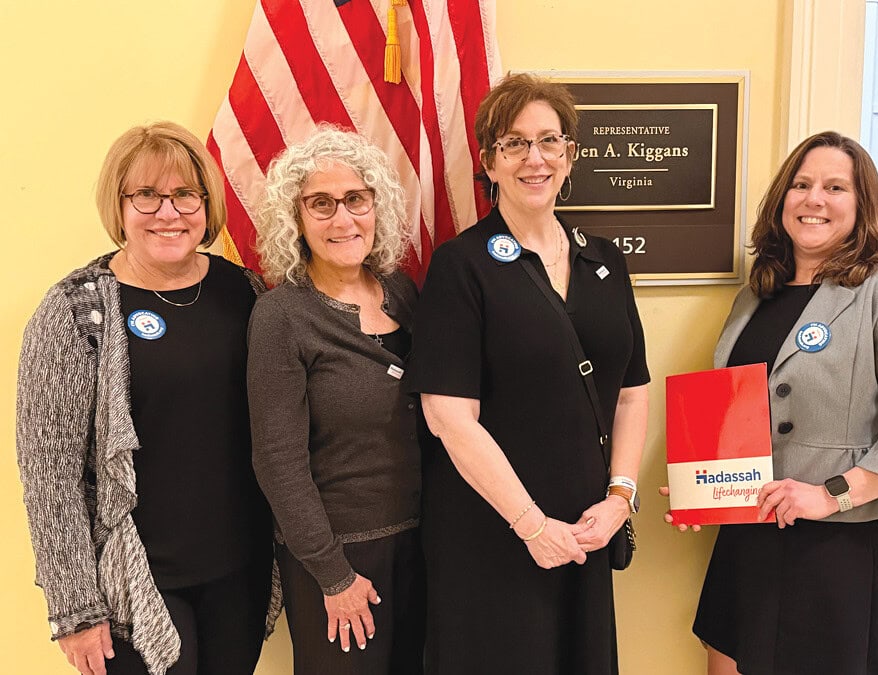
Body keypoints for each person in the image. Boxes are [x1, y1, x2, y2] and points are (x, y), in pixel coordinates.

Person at [664, 130, 878, 674]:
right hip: (751, 534)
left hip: (839, 548)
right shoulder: (759, 290)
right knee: (727, 659)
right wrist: (701, 487)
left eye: (834, 187)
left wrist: (831, 496)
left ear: (861, 202)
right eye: (801, 185)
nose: (814, 199)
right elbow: (740, 410)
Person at [403, 73, 651, 675]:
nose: (534, 158)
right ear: (489, 162)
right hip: (492, 528)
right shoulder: (462, 266)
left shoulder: (604, 260)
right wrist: (531, 525)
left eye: (549, 141)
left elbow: (630, 395)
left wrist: (621, 497)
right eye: (514, 144)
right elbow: (448, 417)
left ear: (570, 154)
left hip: (586, 529)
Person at [16, 121, 280, 675]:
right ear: (120, 206)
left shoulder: (247, 292)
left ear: (206, 205)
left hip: (240, 571)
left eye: (186, 194)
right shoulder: (76, 312)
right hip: (136, 584)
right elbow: (50, 472)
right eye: (147, 196)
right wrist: (75, 610)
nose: (169, 212)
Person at [247, 126, 424, 675]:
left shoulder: (402, 291)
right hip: (340, 559)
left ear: (377, 206)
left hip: (422, 543)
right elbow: (278, 462)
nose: (342, 219)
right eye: (320, 204)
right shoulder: (282, 317)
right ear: (295, 219)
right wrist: (333, 574)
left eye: (355, 199)